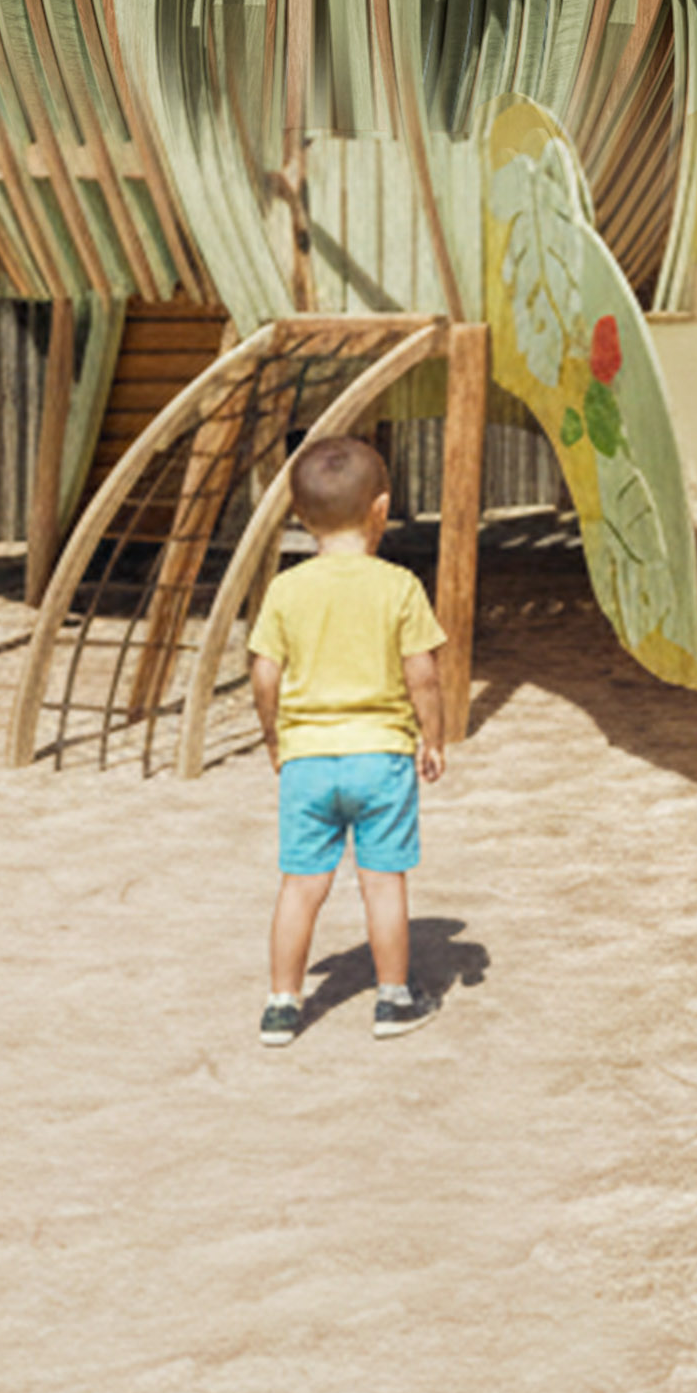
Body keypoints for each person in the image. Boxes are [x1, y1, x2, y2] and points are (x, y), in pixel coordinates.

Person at [246, 433, 453, 1046]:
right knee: (382, 879)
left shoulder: (286, 590)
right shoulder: (398, 586)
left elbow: (264, 673)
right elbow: (423, 674)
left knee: (301, 884)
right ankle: (393, 999)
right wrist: (432, 738)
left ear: (300, 516)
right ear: (381, 510)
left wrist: (275, 736)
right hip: (380, 755)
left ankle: (283, 1004)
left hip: (308, 760)